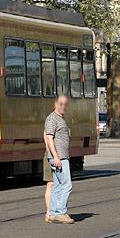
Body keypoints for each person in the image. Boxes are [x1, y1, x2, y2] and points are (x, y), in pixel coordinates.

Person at [44, 95, 74, 224]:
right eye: (60, 104)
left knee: (57, 186)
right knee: (67, 185)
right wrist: (56, 157)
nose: (63, 106)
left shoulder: (60, 119)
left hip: (61, 156)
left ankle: (53, 213)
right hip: (59, 157)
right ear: (55, 104)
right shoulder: (52, 119)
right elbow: (49, 138)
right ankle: (61, 212)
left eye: (65, 104)